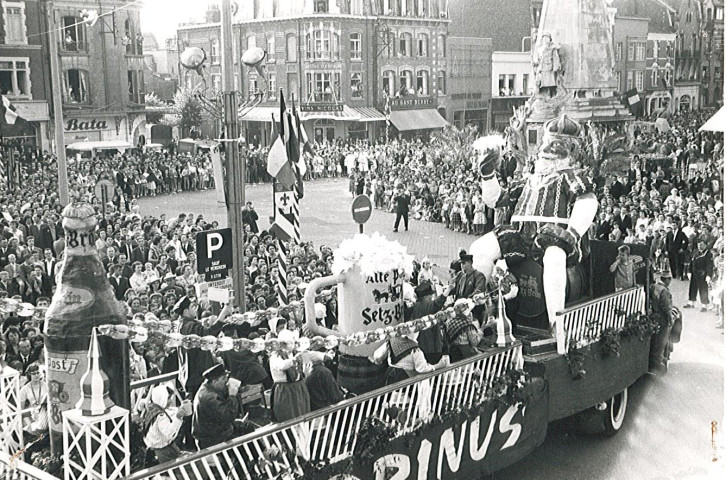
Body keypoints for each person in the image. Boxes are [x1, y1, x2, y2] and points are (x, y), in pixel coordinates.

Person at [192, 364, 242, 450]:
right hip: (213, 440)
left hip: (214, 432)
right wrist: (233, 396)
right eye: (223, 379)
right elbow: (228, 416)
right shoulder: (209, 397)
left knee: (246, 426)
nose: (226, 382)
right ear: (214, 381)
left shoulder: (207, 388)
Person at [142, 385, 192, 464]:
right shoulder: (160, 416)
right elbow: (169, 434)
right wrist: (178, 418)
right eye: (168, 398)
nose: (171, 401)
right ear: (162, 398)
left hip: (157, 448)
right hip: (163, 452)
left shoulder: (152, 409)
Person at [649, 270, 674, 375]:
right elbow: (666, 307)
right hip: (662, 318)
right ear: (667, 280)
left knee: (655, 340)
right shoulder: (665, 291)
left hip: (654, 316)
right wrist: (670, 319)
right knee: (661, 341)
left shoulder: (654, 287)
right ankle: (658, 364)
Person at [685, 240, 714, 311]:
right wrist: (689, 271)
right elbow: (691, 262)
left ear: (705, 245)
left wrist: (708, 275)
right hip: (694, 273)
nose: (699, 246)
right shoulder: (695, 252)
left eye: (701, 244)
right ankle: (691, 302)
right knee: (692, 287)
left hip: (702, 274)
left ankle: (704, 305)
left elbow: (709, 265)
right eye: (698, 244)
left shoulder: (708, 254)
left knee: (703, 289)